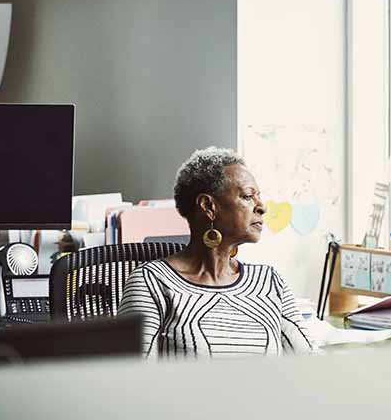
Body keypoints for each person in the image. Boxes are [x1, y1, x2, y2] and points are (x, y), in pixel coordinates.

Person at [119, 147, 315, 357]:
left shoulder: (269, 281)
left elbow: (312, 364)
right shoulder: (151, 282)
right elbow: (131, 379)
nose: (262, 207)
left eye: (259, 197)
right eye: (248, 196)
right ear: (208, 206)